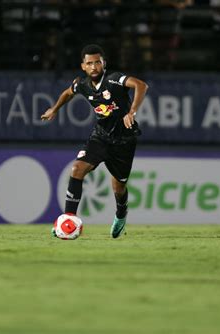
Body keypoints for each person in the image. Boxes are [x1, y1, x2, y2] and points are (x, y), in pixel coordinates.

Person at [41, 44, 148, 238]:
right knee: (77, 169)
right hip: (100, 137)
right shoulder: (81, 84)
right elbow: (67, 93)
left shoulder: (114, 80)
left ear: (103, 63)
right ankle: (69, 218)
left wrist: (132, 111)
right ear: (83, 66)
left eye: (97, 62)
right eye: (89, 63)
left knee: (119, 186)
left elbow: (141, 85)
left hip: (124, 140)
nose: (93, 67)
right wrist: (54, 109)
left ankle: (121, 212)